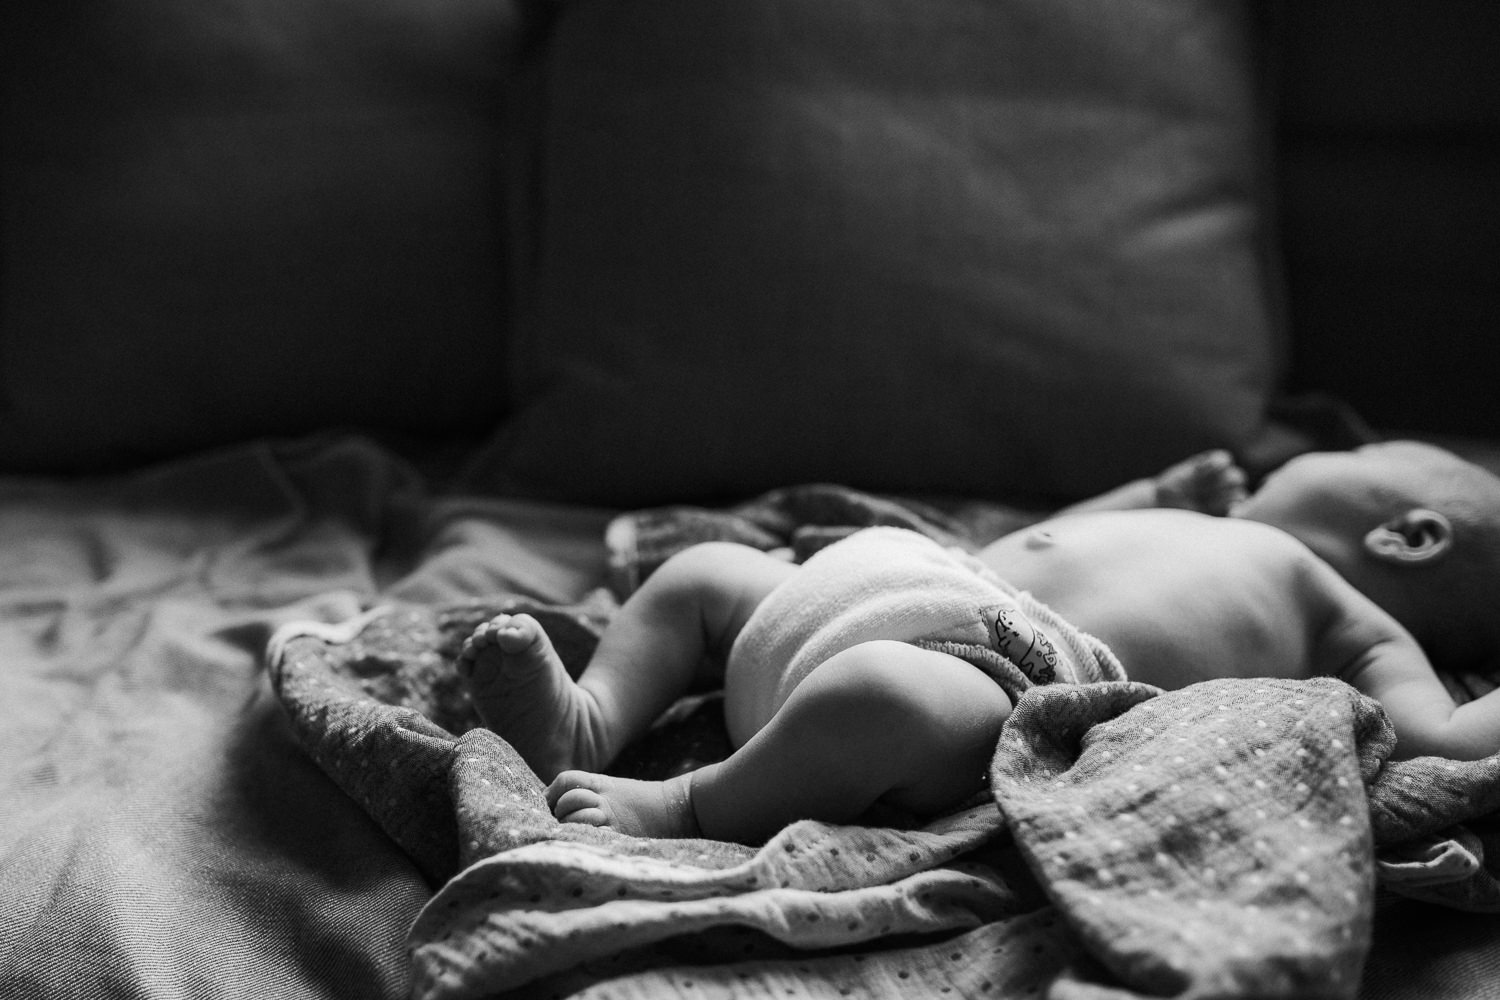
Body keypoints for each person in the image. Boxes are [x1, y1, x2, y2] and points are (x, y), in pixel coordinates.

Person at [456, 442, 1500, 844]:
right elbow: (1030, 544)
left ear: (1408, 535)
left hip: (1003, 668)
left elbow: (1444, 738)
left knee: (879, 697)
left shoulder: (1349, 617)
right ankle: (589, 716)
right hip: (920, 578)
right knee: (704, 576)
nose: (1302, 449)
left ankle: (691, 803)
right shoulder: (1220, 529)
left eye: (1348, 449)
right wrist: (1150, 491)